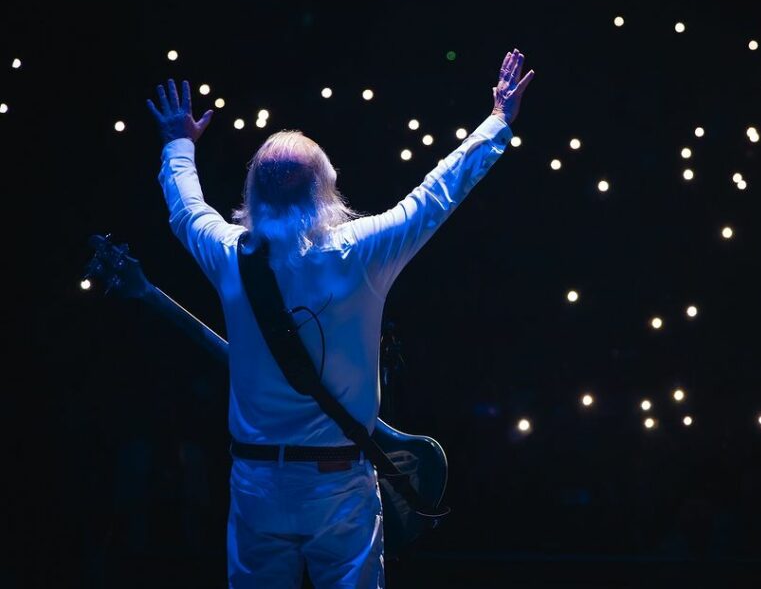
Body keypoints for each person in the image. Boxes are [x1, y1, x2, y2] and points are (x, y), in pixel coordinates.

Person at [146, 50, 534, 588]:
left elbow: (186, 208)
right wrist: (496, 121)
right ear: (324, 187)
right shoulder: (361, 253)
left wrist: (178, 142)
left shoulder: (228, 254)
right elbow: (436, 195)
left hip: (257, 483)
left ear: (253, 191)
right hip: (337, 485)